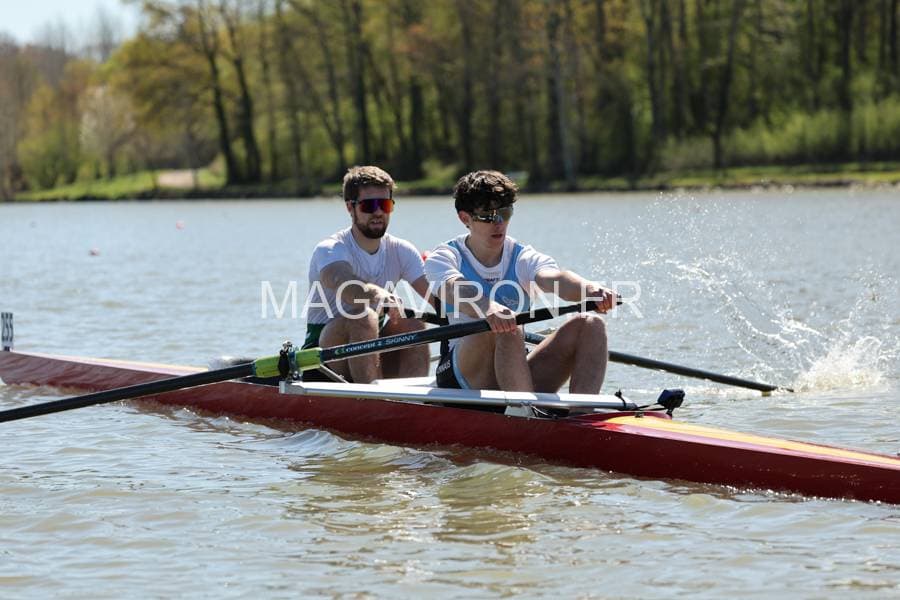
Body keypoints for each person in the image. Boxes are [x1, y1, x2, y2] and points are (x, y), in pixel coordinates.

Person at [424, 170, 617, 394]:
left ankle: (581, 412)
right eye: (488, 216)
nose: (499, 223)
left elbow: (555, 278)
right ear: (465, 218)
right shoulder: (445, 257)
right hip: (461, 375)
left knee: (591, 325)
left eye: (505, 213)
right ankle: (523, 409)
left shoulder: (523, 257)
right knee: (506, 324)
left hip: (513, 366)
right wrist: (488, 307)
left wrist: (590, 289)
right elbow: (453, 288)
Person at [303, 166, 429, 383]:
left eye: (385, 205)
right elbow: (343, 283)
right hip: (323, 360)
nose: (378, 212)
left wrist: (478, 307)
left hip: (371, 349)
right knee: (363, 316)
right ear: (350, 207)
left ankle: (414, 399)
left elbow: (437, 295)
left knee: (413, 324)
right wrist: (377, 294)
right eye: (369, 205)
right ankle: (374, 395)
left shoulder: (402, 250)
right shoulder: (331, 249)